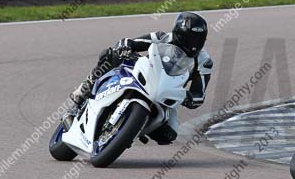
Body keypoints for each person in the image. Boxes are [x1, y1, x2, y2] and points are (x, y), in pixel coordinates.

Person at [64, 12, 214, 145]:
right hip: (143, 73)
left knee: (168, 135)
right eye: (189, 39)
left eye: (198, 40)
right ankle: (80, 96)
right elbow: (134, 42)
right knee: (110, 55)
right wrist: (126, 45)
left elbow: (199, 93)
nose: (193, 44)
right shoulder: (162, 38)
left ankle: (132, 129)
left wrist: (190, 98)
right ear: (178, 34)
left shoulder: (204, 62)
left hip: (166, 92)